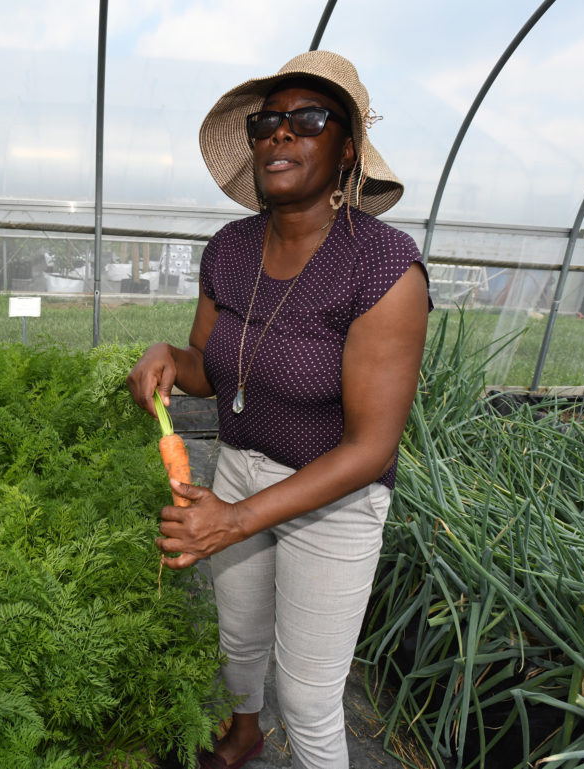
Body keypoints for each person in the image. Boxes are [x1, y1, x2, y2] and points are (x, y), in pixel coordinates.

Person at [127, 50, 431, 769]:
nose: (281, 135)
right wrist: (166, 355)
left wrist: (231, 520)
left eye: (308, 119)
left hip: (335, 493)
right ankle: (242, 733)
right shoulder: (230, 249)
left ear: (347, 146)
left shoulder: (383, 267)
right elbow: (209, 370)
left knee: (308, 696)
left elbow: (371, 449)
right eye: (269, 122)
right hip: (238, 467)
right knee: (238, 640)